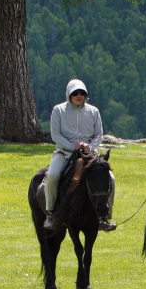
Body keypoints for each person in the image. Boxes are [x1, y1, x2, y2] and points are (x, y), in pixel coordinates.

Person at [42, 78, 115, 232]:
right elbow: (56, 135)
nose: (79, 95)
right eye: (75, 93)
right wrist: (72, 146)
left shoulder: (93, 111)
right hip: (64, 153)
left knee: (111, 179)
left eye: (82, 93)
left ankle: (105, 216)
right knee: (53, 175)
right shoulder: (58, 110)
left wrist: (91, 146)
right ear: (69, 94)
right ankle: (50, 213)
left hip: (89, 156)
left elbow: (98, 135)